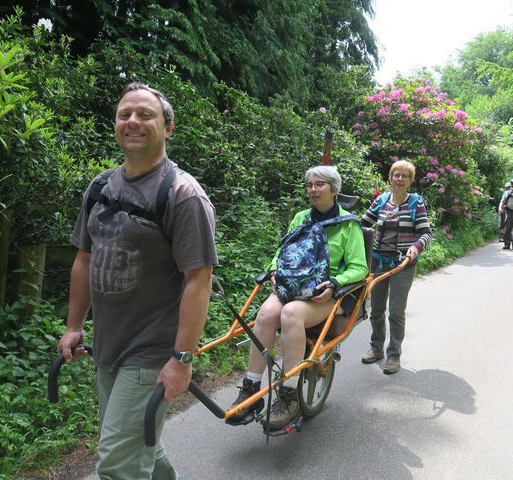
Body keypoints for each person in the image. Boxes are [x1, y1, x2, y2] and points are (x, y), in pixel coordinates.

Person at [57, 83, 218, 479]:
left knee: (117, 462)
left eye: (145, 115)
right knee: (141, 445)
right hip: (109, 345)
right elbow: (83, 258)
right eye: (124, 114)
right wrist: (75, 325)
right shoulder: (99, 186)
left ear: (168, 126)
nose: (133, 121)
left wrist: (182, 359)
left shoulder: (183, 195)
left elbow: (199, 281)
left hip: (153, 350)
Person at [228, 165, 368, 429]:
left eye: (319, 185)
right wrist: (273, 270)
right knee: (267, 313)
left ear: (334, 189)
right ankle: (251, 388)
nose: (313, 190)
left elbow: (360, 268)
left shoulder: (349, 224)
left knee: (290, 313)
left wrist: (336, 282)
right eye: (309, 185)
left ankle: (289, 394)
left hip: (324, 293)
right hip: (292, 284)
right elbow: (282, 251)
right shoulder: (301, 217)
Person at [360, 160, 432, 374]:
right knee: (376, 310)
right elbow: (362, 224)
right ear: (390, 178)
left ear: (410, 181)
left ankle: (394, 356)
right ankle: (376, 348)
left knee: (396, 311)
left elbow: (426, 233)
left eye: (404, 176)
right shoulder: (381, 200)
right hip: (379, 261)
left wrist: (416, 248)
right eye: (396, 175)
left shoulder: (415, 203)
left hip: (403, 263)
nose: (400, 179)